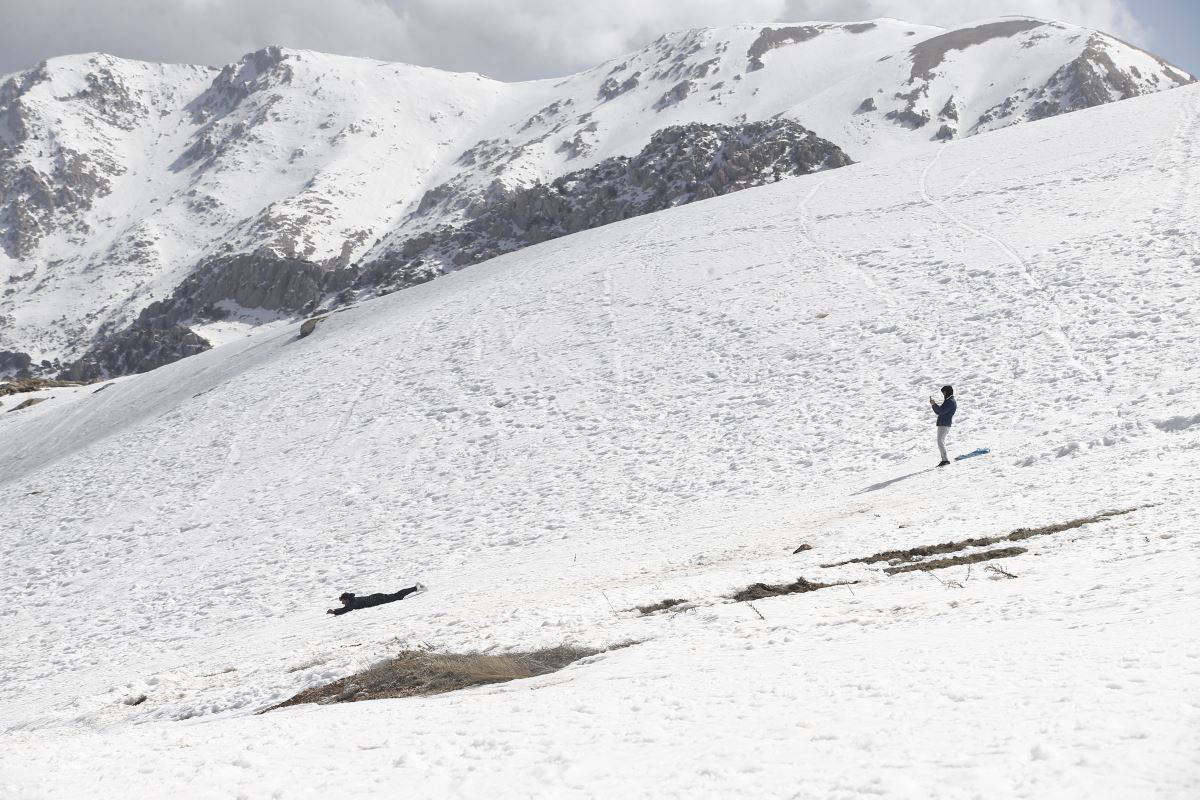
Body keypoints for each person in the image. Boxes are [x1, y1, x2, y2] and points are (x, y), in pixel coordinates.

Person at [327, 583, 425, 615]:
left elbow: (346, 609)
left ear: (346, 599)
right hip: (376, 597)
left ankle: (416, 588)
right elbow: (346, 607)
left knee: (398, 596)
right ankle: (416, 588)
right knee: (397, 596)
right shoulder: (352, 601)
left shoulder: (352, 603)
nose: (342, 602)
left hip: (378, 599)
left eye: (342, 600)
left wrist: (334, 611)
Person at [929, 385, 956, 466]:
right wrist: (934, 405)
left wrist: (934, 404)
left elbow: (941, 411)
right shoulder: (948, 400)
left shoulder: (950, 401)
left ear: (948, 392)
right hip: (943, 423)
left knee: (940, 441)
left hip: (944, 424)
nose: (943, 394)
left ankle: (945, 460)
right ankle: (944, 459)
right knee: (940, 441)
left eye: (944, 392)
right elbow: (940, 411)